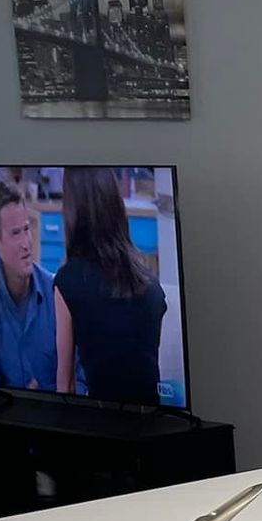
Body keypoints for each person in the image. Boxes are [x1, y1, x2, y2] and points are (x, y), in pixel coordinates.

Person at [54, 167, 167, 405]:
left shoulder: (68, 282)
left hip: (102, 428)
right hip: (155, 426)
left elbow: (66, 385)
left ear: (73, 211)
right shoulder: (149, 283)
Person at [0, 179, 57, 390]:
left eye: (27, 229)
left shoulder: (54, 291)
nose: (27, 243)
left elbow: (79, 376)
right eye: (16, 233)